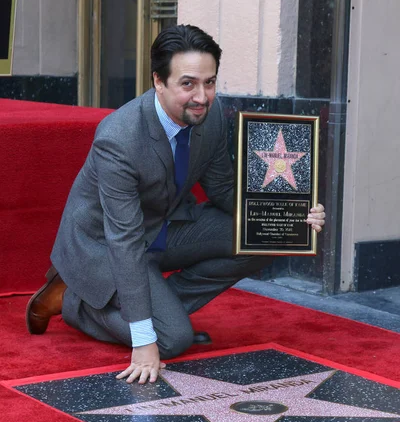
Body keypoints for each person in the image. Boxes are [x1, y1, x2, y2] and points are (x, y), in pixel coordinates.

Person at [26, 24, 325, 385]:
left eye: (209, 82)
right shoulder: (118, 138)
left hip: (163, 229)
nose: (202, 96)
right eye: (188, 84)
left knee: (270, 235)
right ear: (158, 81)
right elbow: (123, 240)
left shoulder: (211, 115)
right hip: (106, 244)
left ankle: (155, 308)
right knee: (172, 339)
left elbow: (222, 189)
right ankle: (77, 301)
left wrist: (289, 215)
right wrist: (143, 340)